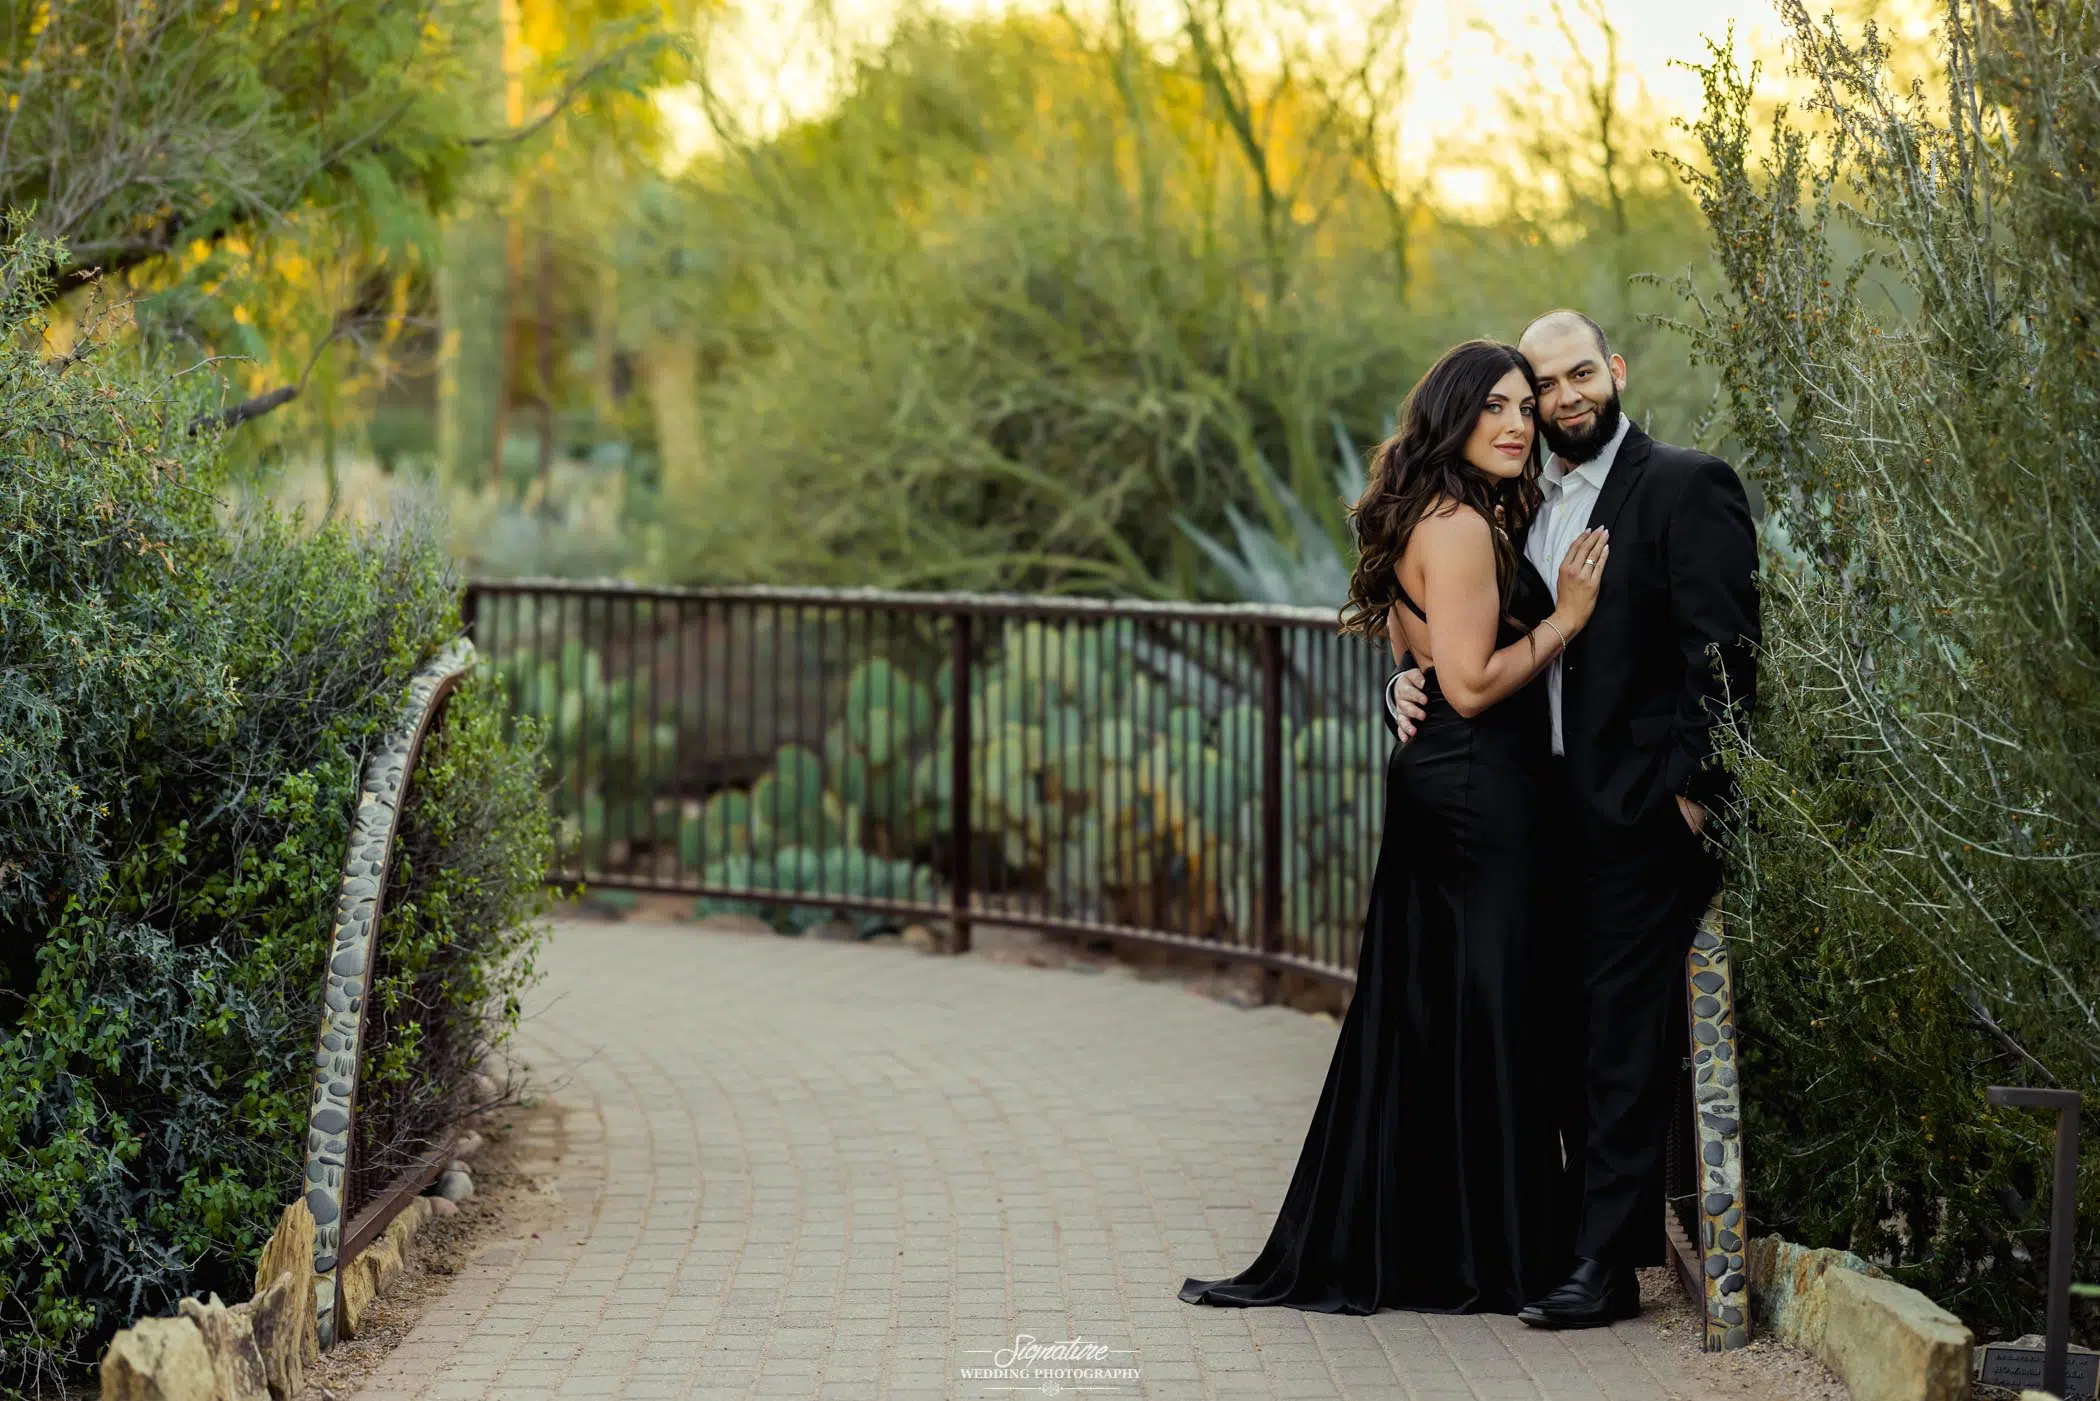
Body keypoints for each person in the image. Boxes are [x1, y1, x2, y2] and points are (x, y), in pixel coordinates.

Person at [1178, 339, 1611, 1315]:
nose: (1514, 424)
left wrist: (1400, 682)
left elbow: (1414, 651)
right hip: (1474, 792)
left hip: (1444, 783)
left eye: (1524, 409)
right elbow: (1468, 681)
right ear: (1453, 417)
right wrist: (1570, 619)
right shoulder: (1459, 526)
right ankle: (1494, 1257)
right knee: (1492, 1011)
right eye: (1494, 407)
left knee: (1436, 1015)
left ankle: (1435, 1248)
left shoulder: (1441, 512)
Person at [1382, 310, 1760, 1328]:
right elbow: (1447, 625)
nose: (1564, 397)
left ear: (1616, 371)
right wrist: (1403, 685)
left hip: (1640, 821)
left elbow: (1725, 659)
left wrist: (1687, 800)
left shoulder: (1685, 485)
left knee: (1621, 1041)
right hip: (1534, 814)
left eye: (1579, 373)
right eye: (1543, 385)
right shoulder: (1516, 508)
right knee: (1551, 1034)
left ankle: (1603, 1270)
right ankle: (1566, 1238)